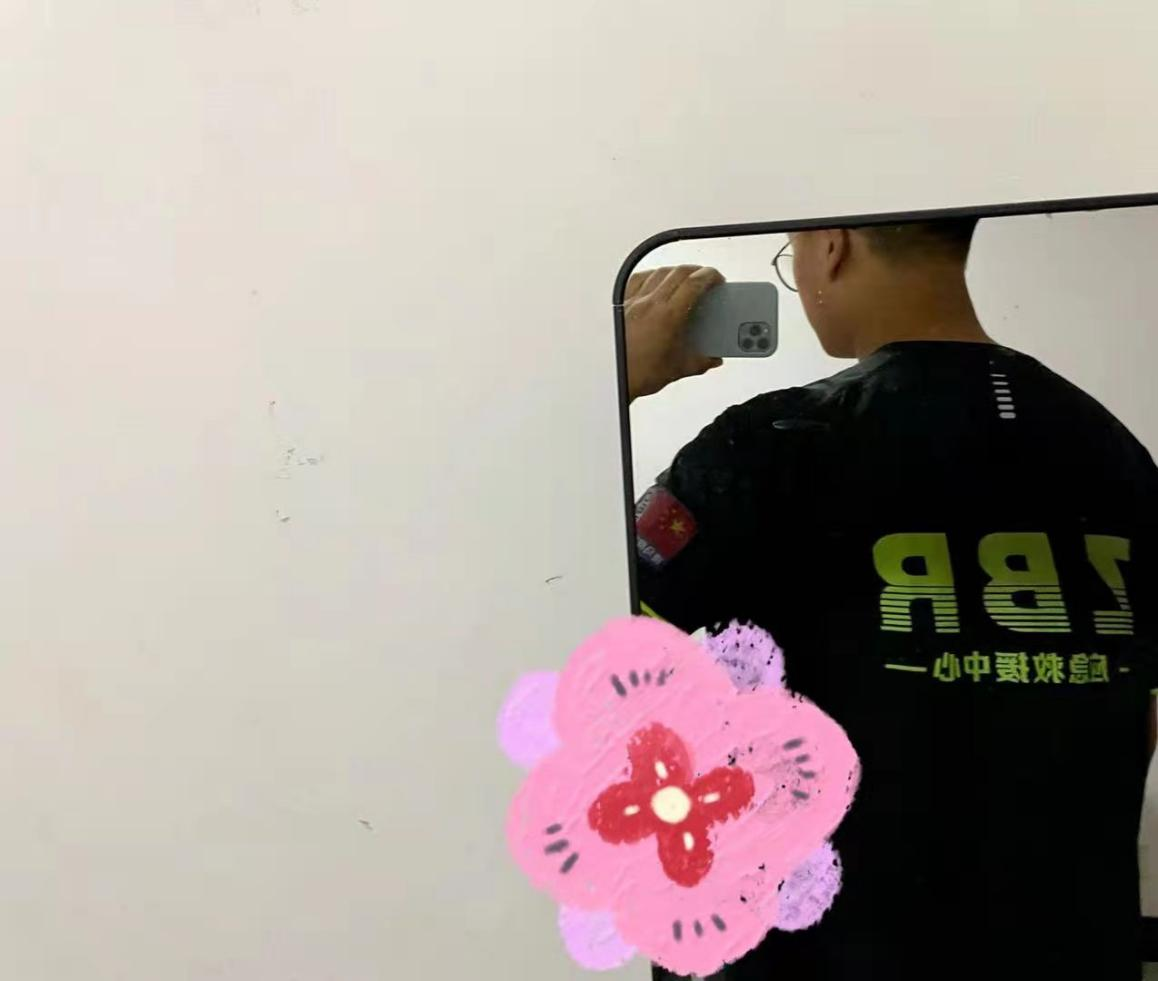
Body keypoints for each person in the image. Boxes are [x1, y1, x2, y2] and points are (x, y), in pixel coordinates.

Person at [625, 220, 1158, 981]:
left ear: (832, 245)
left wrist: (616, 380)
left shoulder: (773, 443)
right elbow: (1142, 711)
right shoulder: (1113, 450)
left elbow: (584, 625)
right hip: (1067, 947)